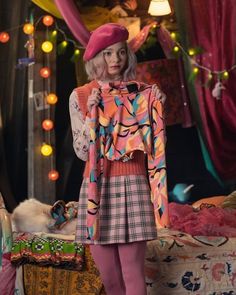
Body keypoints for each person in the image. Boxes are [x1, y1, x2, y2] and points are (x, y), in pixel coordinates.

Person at [69, 23, 168, 295]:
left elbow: (154, 144)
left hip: (133, 184)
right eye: (108, 53)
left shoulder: (140, 93)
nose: (115, 60)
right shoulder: (80, 95)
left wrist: (157, 108)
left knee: (133, 274)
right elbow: (80, 151)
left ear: (128, 55)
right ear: (96, 56)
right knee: (110, 279)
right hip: (95, 188)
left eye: (121, 53)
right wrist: (91, 116)